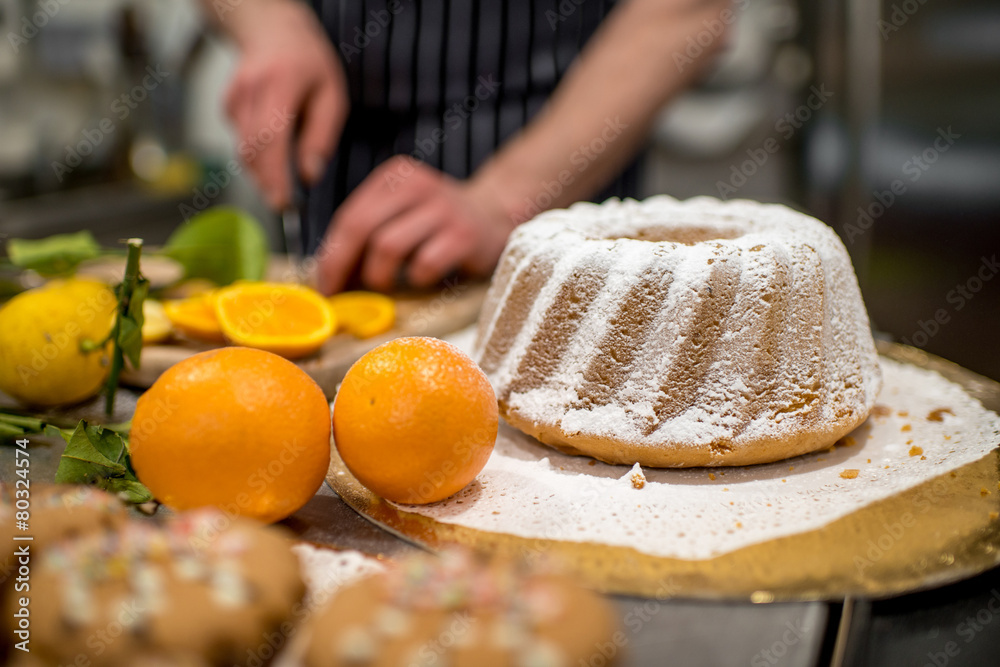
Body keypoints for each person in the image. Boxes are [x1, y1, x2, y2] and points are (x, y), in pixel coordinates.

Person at [203, 0, 729, 294]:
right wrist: (271, 21)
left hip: (555, 169)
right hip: (337, 157)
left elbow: (684, 10)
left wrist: (504, 201)